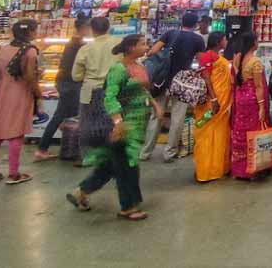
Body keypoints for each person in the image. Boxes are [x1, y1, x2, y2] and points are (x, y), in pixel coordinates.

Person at [67, 34, 162, 221]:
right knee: (128, 164)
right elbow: (109, 97)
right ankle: (129, 206)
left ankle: (81, 192)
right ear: (130, 48)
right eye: (142, 44)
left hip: (135, 124)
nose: (146, 46)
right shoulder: (118, 70)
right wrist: (118, 122)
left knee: (111, 164)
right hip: (121, 126)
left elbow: (142, 89)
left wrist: (154, 104)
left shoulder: (139, 67)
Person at [141, 12, 206, 162]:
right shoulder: (198, 39)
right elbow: (201, 62)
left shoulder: (170, 33)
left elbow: (153, 51)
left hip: (162, 80)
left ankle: (145, 152)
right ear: (196, 25)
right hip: (182, 81)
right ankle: (169, 153)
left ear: (181, 22)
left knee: (156, 116)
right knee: (178, 118)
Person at [0, 19, 41, 185]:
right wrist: (38, 93)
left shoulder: (4, 49)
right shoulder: (30, 52)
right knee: (16, 133)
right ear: (30, 32)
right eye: (35, 30)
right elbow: (30, 77)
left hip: (0, 93)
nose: (36, 33)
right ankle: (13, 174)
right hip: (19, 94)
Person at [35, 17, 90, 162]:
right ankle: (43, 149)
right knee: (63, 116)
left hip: (64, 82)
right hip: (70, 84)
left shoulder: (73, 43)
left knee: (64, 116)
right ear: (84, 28)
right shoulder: (79, 45)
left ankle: (47, 148)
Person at [72, 17, 118, 158]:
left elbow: (76, 75)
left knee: (87, 124)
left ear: (92, 30)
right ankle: (110, 153)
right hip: (112, 89)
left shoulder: (85, 49)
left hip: (90, 91)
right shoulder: (119, 44)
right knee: (111, 122)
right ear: (108, 27)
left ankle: (87, 156)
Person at [229, 31, 270, 179]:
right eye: (257, 41)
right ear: (253, 43)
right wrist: (261, 107)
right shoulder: (255, 62)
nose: (258, 43)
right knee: (253, 133)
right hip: (252, 100)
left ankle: (239, 170)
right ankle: (252, 169)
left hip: (240, 98)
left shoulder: (238, 58)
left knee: (241, 131)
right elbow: (259, 86)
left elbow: (234, 80)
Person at [194, 31, 232, 182]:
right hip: (212, 103)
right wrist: (214, 98)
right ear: (218, 42)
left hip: (221, 103)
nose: (227, 41)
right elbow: (206, 78)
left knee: (220, 134)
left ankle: (219, 168)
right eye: (225, 39)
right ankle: (206, 171)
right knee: (206, 133)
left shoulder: (217, 56)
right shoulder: (207, 56)